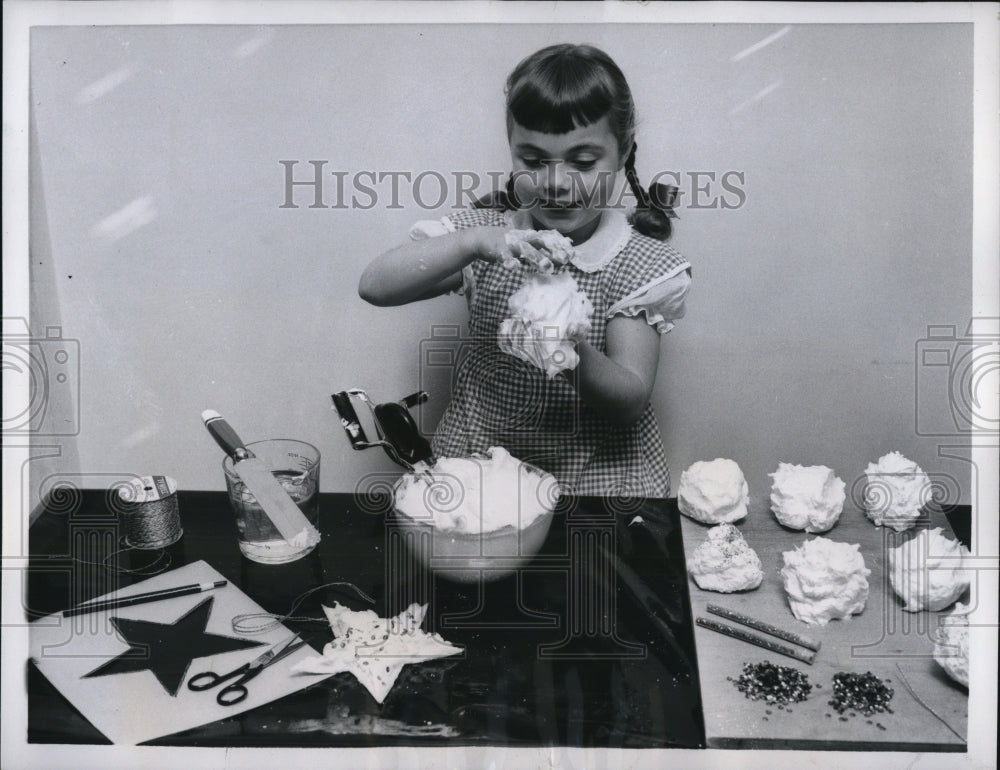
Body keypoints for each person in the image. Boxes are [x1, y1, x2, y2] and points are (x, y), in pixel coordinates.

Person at [359, 43, 691, 498]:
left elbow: (629, 401)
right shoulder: (488, 240)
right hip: (481, 473)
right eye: (533, 160)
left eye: (583, 161)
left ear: (623, 151)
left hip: (591, 482)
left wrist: (563, 346)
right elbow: (375, 286)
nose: (556, 181)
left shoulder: (638, 263)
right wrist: (475, 242)